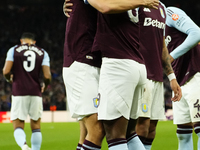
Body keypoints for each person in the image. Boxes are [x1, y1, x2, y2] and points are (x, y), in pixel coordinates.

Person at [82, 0, 174, 149]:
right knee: (131, 134)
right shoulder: (134, 3)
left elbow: (104, 7)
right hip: (137, 65)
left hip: (117, 64)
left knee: (115, 136)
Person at [135, 2, 182, 150]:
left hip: (157, 76)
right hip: (141, 73)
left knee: (152, 129)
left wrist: (172, 77)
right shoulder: (136, 4)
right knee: (141, 126)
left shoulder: (162, 7)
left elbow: (163, 47)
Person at [62, 0, 105, 150]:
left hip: (91, 61)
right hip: (82, 63)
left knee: (86, 131)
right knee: (97, 129)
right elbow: (106, 7)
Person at [2, 32, 51, 150]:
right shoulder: (43, 52)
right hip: (36, 92)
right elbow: (48, 76)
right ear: (34, 42)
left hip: (19, 91)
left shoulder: (13, 50)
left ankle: (24, 146)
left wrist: (10, 79)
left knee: (18, 125)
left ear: (21, 41)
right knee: (36, 126)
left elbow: (6, 71)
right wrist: (44, 85)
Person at [165, 6, 200, 150]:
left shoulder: (169, 13)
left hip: (195, 74)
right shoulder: (148, 25)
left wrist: (171, 56)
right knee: (183, 134)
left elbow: (197, 33)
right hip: (178, 81)